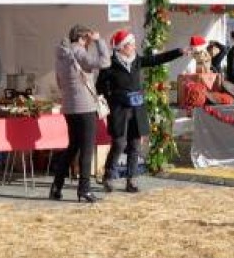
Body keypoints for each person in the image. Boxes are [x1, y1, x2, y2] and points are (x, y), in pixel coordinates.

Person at [98, 29, 183, 193]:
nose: (134, 46)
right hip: (119, 110)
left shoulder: (136, 61)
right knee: (119, 143)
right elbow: (100, 87)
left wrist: (179, 52)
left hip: (137, 109)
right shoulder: (109, 64)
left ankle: (132, 179)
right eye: (131, 44)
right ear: (122, 47)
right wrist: (115, 96)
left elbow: (157, 59)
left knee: (135, 144)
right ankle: (108, 176)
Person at [50, 25, 110, 202]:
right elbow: (105, 62)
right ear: (83, 37)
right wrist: (99, 41)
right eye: (89, 39)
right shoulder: (79, 52)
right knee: (86, 148)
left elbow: (59, 82)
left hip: (69, 106)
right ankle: (84, 189)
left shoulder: (61, 55)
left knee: (72, 147)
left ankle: (56, 186)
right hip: (84, 106)